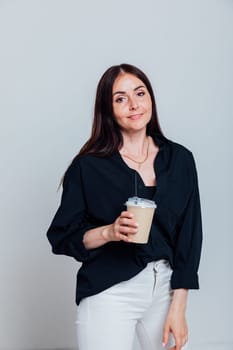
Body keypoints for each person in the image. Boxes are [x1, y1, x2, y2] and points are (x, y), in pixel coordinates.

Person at [46, 63, 202, 350]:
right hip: (110, 289)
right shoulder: (88, 167)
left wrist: (179, 308)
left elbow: (189, 238)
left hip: (166, 287)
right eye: (120, 98)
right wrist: (109, 232)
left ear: (150, 97)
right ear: (108, 109)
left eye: (139, 93)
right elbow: (62, 236)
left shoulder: (180, 159)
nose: (133, 105)